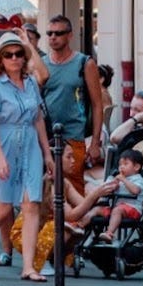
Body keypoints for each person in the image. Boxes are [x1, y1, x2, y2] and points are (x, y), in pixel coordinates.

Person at [0, 31, 52, 282]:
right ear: (0, 58)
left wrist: (48, 154)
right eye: (8, 54)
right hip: (4, 142)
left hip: (30, 142)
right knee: (1, 208)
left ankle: (29, 266)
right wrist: (0, 158)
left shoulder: (31, 82)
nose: (14, 58)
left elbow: (39, 118)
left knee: (31, 203)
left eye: (18, 54)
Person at [36, 15, 104, 197]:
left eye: (58, 33)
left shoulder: (84, 63)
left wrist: (95, 142)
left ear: (70, 35)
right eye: (49, 33)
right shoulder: (41, 64)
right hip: (46, 135)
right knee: (44, 190)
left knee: (73, 188)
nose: (53, 37)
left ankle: (75, 224)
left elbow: (98, 104)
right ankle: (50, 225)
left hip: (73, 134)